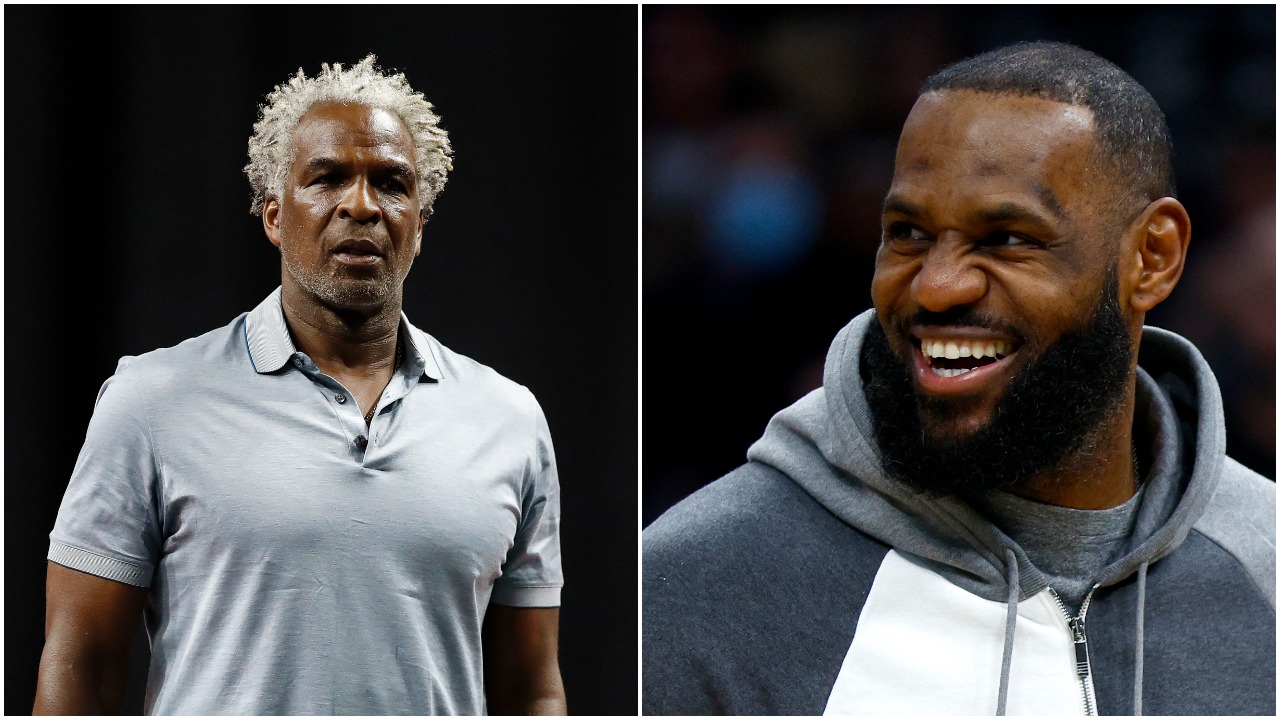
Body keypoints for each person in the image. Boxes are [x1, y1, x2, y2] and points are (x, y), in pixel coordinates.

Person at [643, 41, 1274, 716]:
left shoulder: (1265, 565)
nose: (937, 286)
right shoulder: (703, 584)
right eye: (909, 232)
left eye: (1006, 238)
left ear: (1152, 257)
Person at [35, 55, 566, 716]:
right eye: (328, 177)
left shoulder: (509, 419)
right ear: (274, 215)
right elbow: (80, 662)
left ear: (420, 225)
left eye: (392, 183)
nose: (362, 205)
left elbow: (532, 685)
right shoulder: (150, 401)